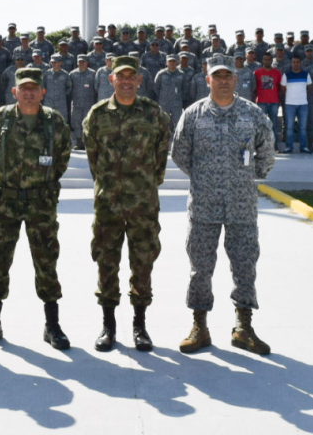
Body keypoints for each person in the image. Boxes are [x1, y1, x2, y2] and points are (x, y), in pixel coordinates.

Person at [171, 54, 276, 356]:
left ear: (236, 79)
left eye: (228, 75)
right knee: (200, 267)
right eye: (217, 76)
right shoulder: (193, 115)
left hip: (242, 205)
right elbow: (180, 153)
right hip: (204, 205)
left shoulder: (252, 114)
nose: (223, 81)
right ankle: (199, 327)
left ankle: (243, 328)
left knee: (245, 266)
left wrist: (245, 178)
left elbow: (267, 151)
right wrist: (205, 177)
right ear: (208, 80)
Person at [0, 67, 72, 350]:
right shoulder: (1, 119)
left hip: (41, 203)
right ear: (14, 91)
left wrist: (43, 182)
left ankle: (52, 325)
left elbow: (63, 156)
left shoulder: (54, 121)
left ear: (43, 92)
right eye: (23, 88)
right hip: (6, 202)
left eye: (34, 88)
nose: (29, 92)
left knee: (46, 261)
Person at [82, 55, 171, 352]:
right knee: (107, 262)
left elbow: (161, 157)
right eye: (121, 76)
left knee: (143, 262)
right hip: (108, 203)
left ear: (140, 80)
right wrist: (109, 184)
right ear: (112, 80)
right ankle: (108, 325)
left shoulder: (154, 114)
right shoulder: (97, 115)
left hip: (143, 204)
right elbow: (93, 159)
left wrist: (145, 184)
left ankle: (140, 325)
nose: (127, 81)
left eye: (132, 77)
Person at [281, 56, 312, 154]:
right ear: (291, 63)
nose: (296, 64)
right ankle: (289, 147)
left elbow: (310, 87)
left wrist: (303, 97)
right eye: (294, 62)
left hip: (303, 104)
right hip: (290, 104)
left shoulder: (306, 74)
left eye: (298, 62)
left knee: (302, 127)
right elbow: (283, 89)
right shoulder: (286, 75)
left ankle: (303, 147)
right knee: (289, 127)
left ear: (300, 63)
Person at [68, 56, 96, 150]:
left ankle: (86, 142)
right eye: (80, 62)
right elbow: (69, 88)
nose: (82, 64)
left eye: (83, 62)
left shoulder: (92, 74)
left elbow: (96, 88)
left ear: (87, 62)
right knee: (76, 122)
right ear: (77, 63)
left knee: (87, 122)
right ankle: (79, 142)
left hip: (88, 102)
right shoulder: (72, 74)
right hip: (76, 102)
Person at [253, 52, 282, 142]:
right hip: (262, 102)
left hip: (274, 102)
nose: (267, 61)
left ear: (272, 61)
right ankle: (261, 146)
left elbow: (280, 87)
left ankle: (275, 146)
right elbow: (254, 88)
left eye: (269, 59)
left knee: (274, 124)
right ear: (262, 61)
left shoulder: (277, 73)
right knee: (261, 125)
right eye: (265, 59)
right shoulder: (257, 73)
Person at [154, 55, 189, 129]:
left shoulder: (181, 74)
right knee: (163, 123)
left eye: (173, 61)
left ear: (177, 63)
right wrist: (162, 97)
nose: (172, 63)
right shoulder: (161, 74)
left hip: (177, 104)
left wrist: (179, 97)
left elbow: (185, 88)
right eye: (170, 61)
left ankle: (177, 139)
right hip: (164, 103)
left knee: (178, 123)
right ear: (166, 63)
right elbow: (156, 87)